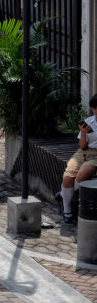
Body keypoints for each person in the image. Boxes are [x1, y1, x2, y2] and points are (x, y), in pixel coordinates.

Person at [59, 94, 97, 224]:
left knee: (81, 176)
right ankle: (67, 211)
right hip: (83, 152)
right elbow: (82, 146)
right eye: (94, 109)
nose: (95, 111)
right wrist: (84, 133)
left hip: (96, 156)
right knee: (67, 177)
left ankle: (63, 194)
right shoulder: (89, 121)